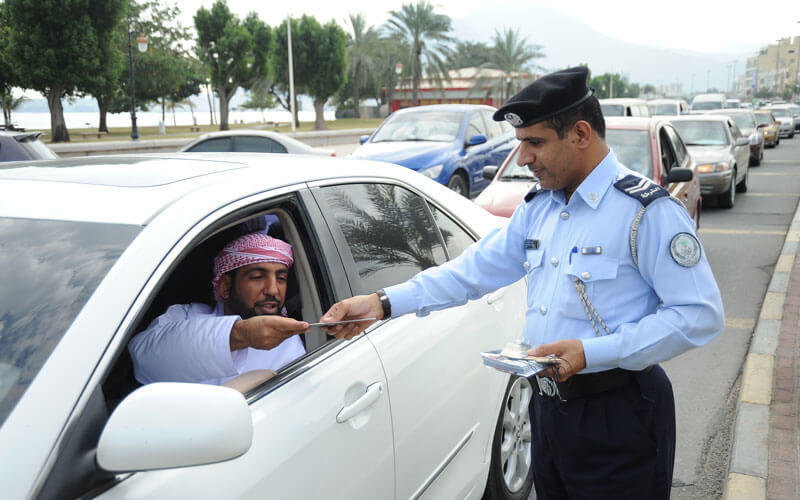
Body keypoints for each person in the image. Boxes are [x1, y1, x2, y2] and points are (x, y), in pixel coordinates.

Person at [319, 66, 725, 499]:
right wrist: (382, 302)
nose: (524, 157)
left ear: (581, 134)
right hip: (547, 409)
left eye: (535, 143)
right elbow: (471, 271)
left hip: (619, 413)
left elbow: (698, 315)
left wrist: (590, 353)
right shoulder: (540, 207)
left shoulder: (645, 211)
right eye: (521, 144)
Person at [130, 232, 309, 385]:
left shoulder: (286, 339)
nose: (272, 290)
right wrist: (239, 335)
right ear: (224, 287)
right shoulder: (184, 316)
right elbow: (144, 361)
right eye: (257, 277)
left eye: (281, 278)